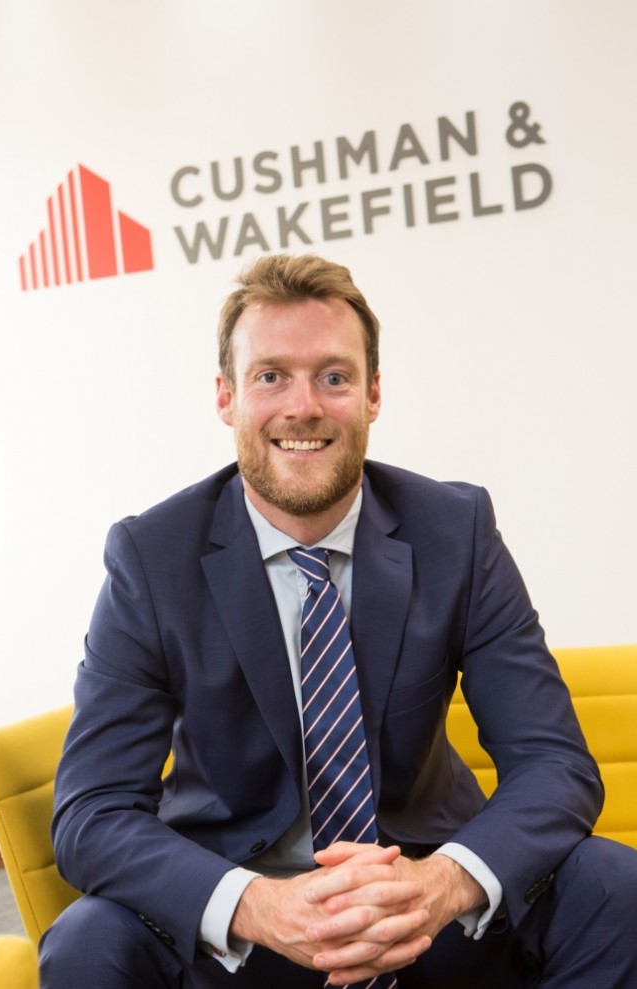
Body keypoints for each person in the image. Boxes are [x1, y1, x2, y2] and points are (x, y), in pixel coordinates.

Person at [40, 253, 637, 989]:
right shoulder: (152, 557)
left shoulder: (456, 530)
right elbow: (92, 811)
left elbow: (553, 763)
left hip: (426, 907)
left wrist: (440, 885)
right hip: (245, 931)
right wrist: (257, 906)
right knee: (87, 941)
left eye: (333, 376)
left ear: (373, 393)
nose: (304, 407)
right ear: (226, 396)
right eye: (271, 376)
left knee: (613, 884)